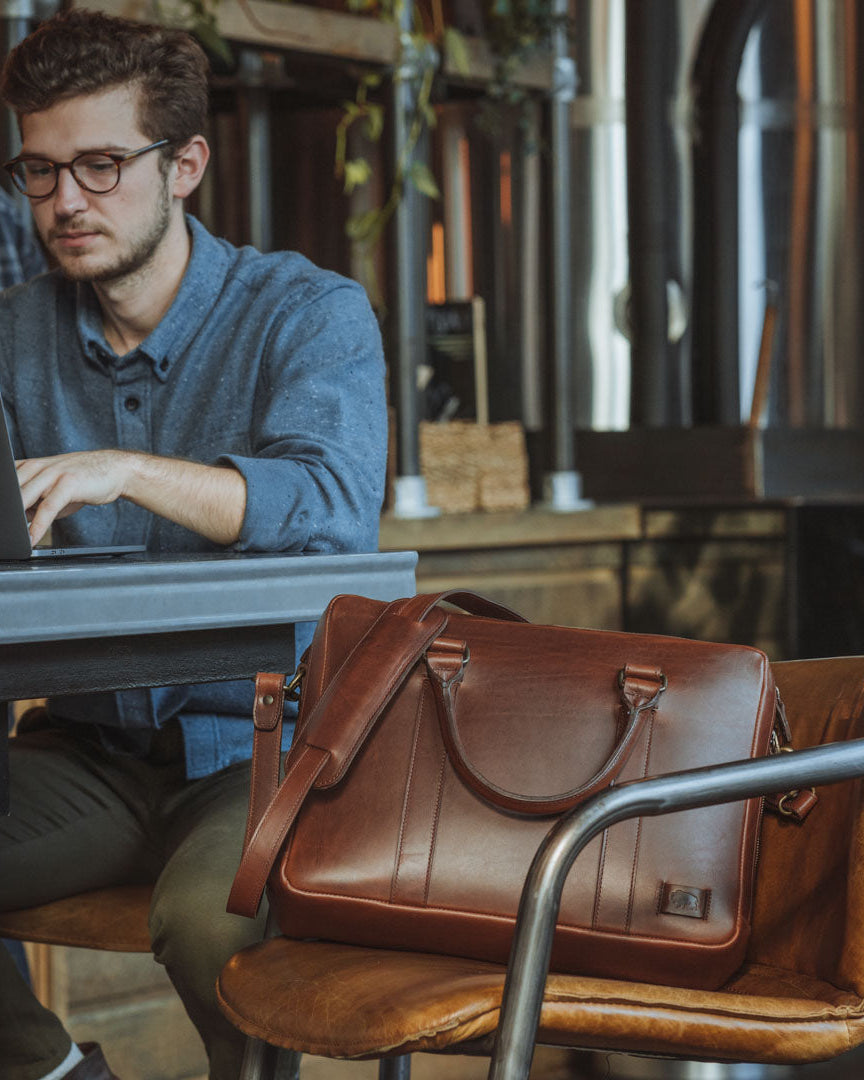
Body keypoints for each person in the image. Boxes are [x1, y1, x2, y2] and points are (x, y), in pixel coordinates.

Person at [0, 9, 387, 1080]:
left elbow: (329, 503)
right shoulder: (13, 333)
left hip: (263, 755)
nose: (66, 201)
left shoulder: (309, 314)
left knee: (213, 935)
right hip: (86, 753)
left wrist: (124, 472)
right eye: (38, 171)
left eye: (101, 164)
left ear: (186, 166)